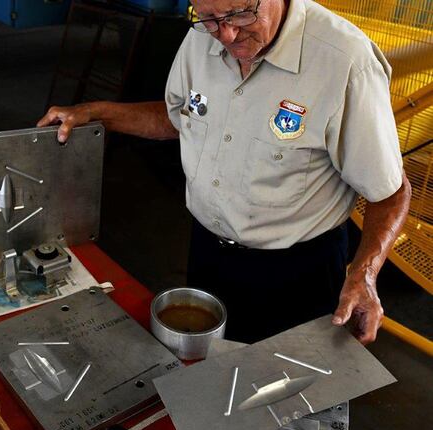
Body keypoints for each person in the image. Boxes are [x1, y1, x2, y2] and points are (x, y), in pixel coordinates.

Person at [37, 0, 411, 344]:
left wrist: (364, 273)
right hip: (208, 255)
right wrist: (94, 113)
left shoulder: (345, 62)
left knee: (287, 399)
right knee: (209, 382)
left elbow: (391, 192)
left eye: (241, 13)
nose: (227, 35)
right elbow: (178, 118)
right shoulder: (202, 38)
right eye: (210, 19)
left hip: (297, 275)